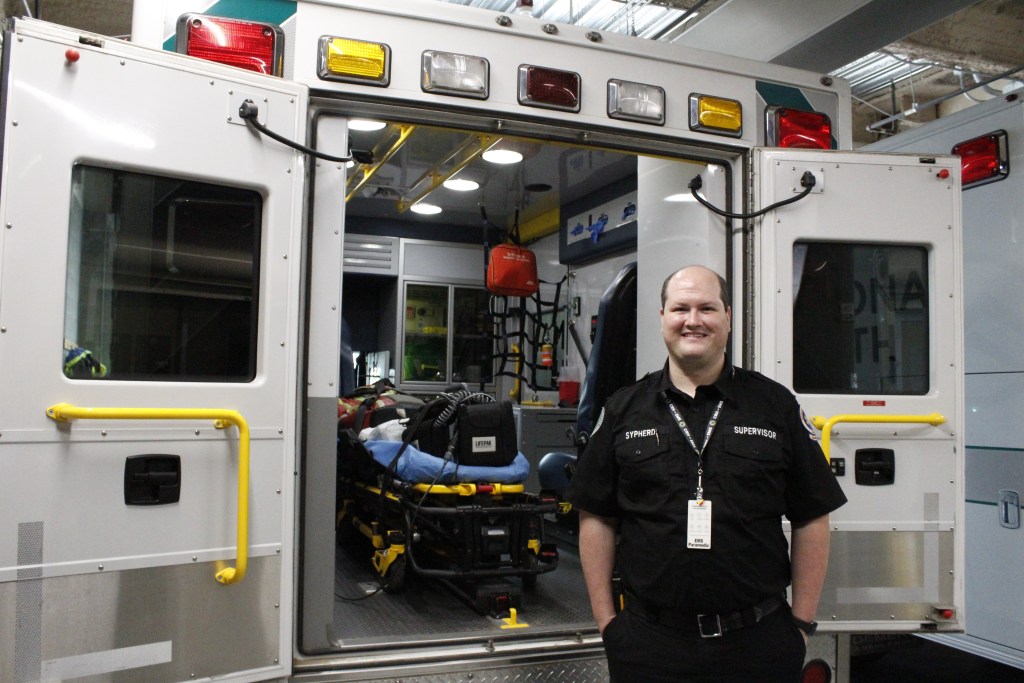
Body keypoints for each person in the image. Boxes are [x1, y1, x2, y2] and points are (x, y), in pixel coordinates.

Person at [565, 265, 847, 683]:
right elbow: (596, 517)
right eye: (680, 308)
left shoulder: (775, 406)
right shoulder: (624, 410)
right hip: (648, 646)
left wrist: (800, 626)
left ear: (728, 318)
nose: (693, 320)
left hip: (758, 644)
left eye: (707, 308)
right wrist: (609, 625)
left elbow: (813, 515)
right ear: (662, 317)